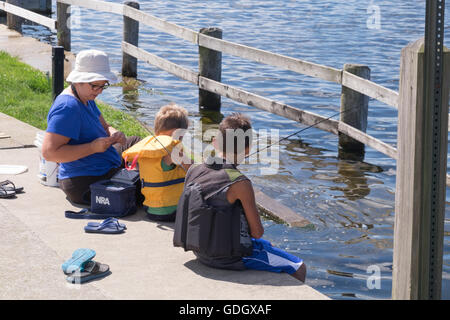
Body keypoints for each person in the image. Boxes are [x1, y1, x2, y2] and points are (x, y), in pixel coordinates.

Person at [174, 113, 306, 282]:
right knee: (299, 267)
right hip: (228, 258)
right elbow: (257, 232)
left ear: (215, 141)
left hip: (199, 251)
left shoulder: (194, 169)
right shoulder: (240, 182)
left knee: (268, 246)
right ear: (247, 149)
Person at [42, 49, 141, 205]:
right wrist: (92, 148)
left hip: (103, 162)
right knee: (150, 188)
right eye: (95, 86)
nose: (99, 91)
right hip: (84, 180)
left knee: (137, 142)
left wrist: (114, 134)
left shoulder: (86, 97)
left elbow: (105, 126)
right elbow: (49, 153)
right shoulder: (68, 108)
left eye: (103, 86)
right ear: (78, 81)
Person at [122, 104, 191, 222]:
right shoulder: (171, 150)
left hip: (150, 209)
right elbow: (192, 170)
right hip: (171, 211)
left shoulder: (148, 148)